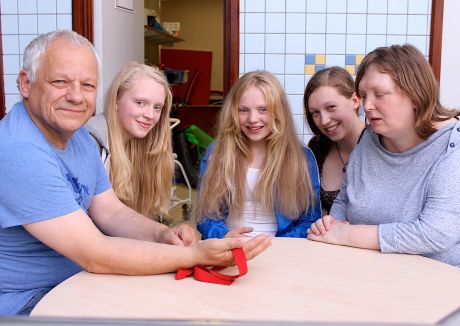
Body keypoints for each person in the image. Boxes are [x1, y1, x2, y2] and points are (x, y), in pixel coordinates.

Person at [0, 30, 272, 316]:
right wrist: (192, 255)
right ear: (26, 84)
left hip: (75, 281)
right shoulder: (19, 149)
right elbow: (94, 253)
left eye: (88, 85)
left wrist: (163, 234)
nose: (77, 96)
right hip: (30, 300)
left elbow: (111, 212)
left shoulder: (76, 135)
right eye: (60, 82)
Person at [307, 44, 460, 271]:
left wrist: (347, 234)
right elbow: (344, 201)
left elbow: (435, 234)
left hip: (447, 284)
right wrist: (331, 225)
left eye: (379, 95)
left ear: (415, 94)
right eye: (363, 96)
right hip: (375, 276)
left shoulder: (459, 148)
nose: (367, 106)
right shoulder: (369, 139)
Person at [196, 70, 321, 239]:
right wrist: (225, 236)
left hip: (281, 251)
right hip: (228, 249)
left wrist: (278, 246)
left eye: (263, 109)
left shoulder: (302, 158)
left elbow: (309, 220)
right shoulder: (217, 152)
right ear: (233, 112)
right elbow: (205, 214)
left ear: (278, 112)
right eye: (243, 110)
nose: (253, 119)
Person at [86, 62, 173, 219]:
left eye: (157, 107)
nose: (150, 115)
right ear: (117, 99)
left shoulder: (144, 146)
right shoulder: (91, 144)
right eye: (140, 103)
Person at [303, 67, 365, 215]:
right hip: (323, 236)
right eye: (315, 113)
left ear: (355, 101)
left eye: (331, 107)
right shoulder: (317, 147)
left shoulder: (382, 144)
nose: (324, 121)